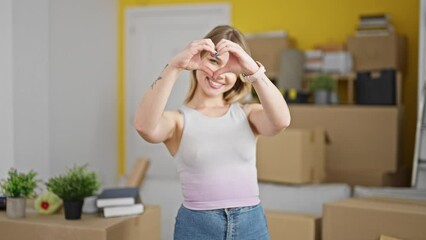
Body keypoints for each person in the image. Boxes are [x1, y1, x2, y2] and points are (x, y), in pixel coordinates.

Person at [134, 25, 291, 240]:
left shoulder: (247, 115)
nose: (218, 74)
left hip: (250, 224)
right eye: (214, 62)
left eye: (230, 69)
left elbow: (281, 121)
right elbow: (144, 127)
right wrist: (175, 66)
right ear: (198, 61)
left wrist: (253, 70)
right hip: (198, 226)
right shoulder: (178, 121)